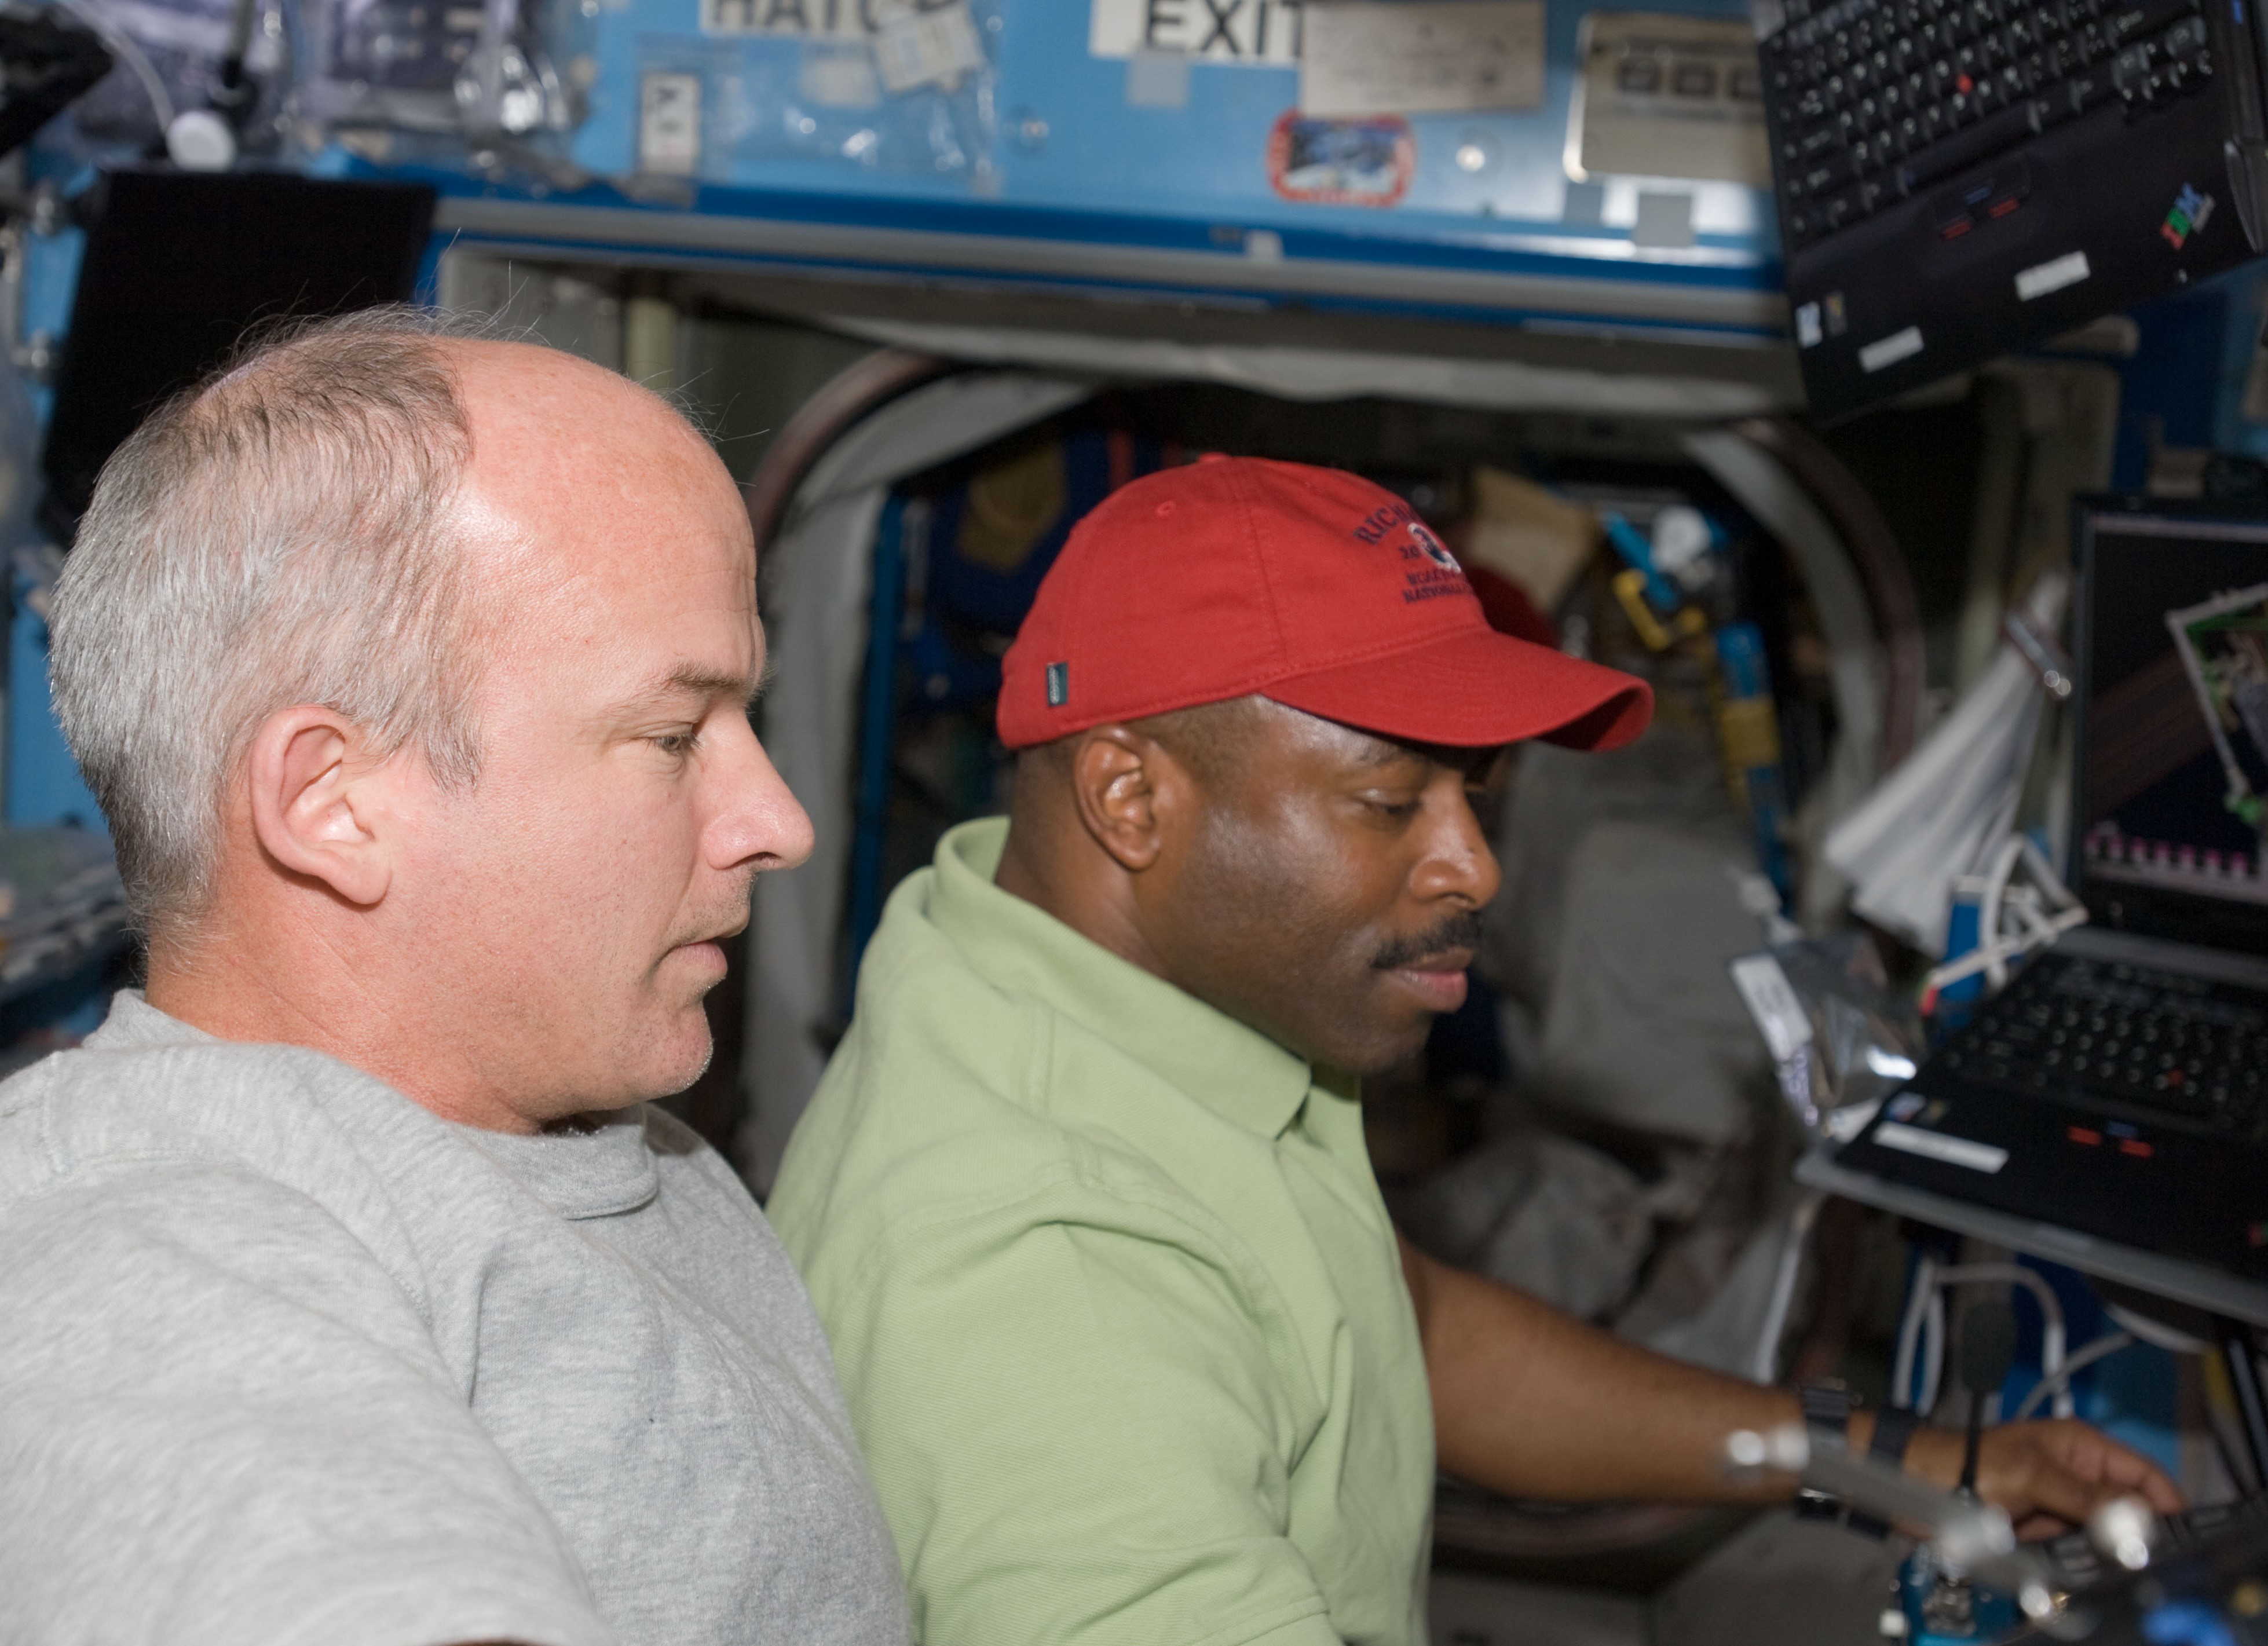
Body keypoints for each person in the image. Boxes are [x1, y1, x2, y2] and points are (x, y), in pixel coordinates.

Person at [768, 455, 2182, 1646]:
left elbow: (1397, 1325)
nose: (1475, 867)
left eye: (1473, 794)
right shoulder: (1031, 1268)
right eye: (1390, 800)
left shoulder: (1105, 997)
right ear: (1130, 795)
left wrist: (1900, 1459)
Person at [0, 309, 909, 1646]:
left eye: (743, 721)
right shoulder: (153, 1242)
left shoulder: (628, 1145)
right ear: (337, 802)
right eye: (672, 732)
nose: (777, 819)